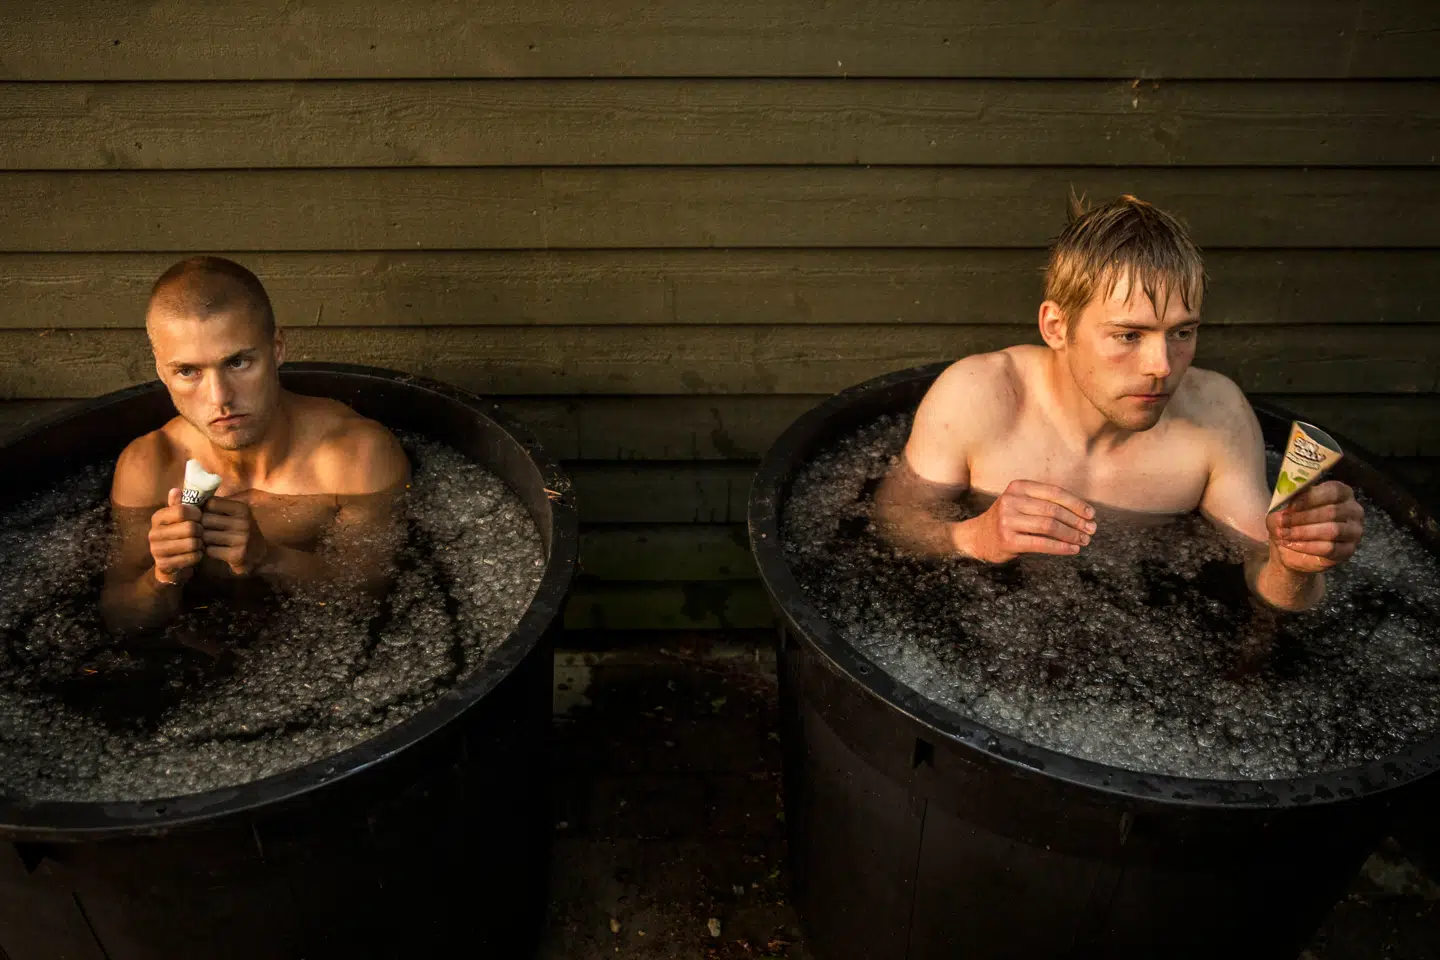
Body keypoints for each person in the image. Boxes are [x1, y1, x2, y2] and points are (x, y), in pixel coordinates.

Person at [873, 195, 1364, 611]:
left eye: (1182, 333)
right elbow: (895, 521)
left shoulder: (1216, 415)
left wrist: (1295, 563)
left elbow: (1267, 579)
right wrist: (976, 537)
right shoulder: (978, 397)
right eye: (1129, 334)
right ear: (1056, 327)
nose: (1163, 366)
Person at [101, 256, 410, 633]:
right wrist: (163, 576)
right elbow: (119, 618)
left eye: (238, 363)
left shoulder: (356, 457)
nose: (219, 398)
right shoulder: (148, 465)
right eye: (187, 372)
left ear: (277, 348)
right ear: (161, 372)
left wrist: (270, 557)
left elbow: (370, 602)